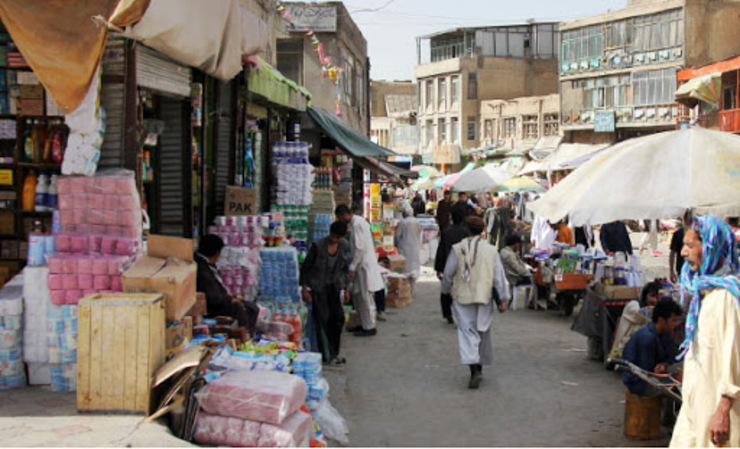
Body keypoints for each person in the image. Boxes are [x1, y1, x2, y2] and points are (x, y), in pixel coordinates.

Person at [670, 215, 740, 448]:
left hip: (717, 414)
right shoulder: (705, 294)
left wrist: (723, 409)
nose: (683, 253)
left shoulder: (725, 298)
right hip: (696, 405)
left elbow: (733, 357)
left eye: (690, 246)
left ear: (711, 247)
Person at [442, 216, 511, 389]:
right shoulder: (491, 250)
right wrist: (504, 298)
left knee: (467, 332)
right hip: (484, 295)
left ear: (467, 229)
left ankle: (474, 370)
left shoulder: (457, 249)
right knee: (482, 331)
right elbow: (498, 277)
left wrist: (445, 292)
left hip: (462, 296)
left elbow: (448, 273)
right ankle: (478, 368)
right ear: (482, 230)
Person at [300, 221, 350, 365]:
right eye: (333, 236)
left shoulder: (344, 246)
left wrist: (346, 289)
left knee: (338, 318)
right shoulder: (318, 246)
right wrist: (305, 289)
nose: (334, 240)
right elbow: (306, 268)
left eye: (337, 238)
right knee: (323, 319)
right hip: (318, 287)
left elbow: (345, 269)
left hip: (334, 287)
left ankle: (334, 351)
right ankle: (327, 355)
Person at [195, 235, 260, 336]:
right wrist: (229, 299)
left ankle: (248, 335)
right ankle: (245, 337)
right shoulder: (202, 269)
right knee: (244, 308)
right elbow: (213, 297)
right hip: (213, 306)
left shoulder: (205, 265)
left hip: (218, 299)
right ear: (217, 252)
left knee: (251, 307)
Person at [335, 204, 383, 337]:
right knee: (358, 296)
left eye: (340, 218)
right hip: (361, 264)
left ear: (344, 215)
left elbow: (359, 248)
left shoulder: (356, 225)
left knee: (363, 296)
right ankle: (362, 323)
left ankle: (369, 326)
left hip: (363, 266)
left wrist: (352, 266)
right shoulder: (359, 221)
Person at [621, 299, 682, 396]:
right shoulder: (647, 338)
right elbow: (645, 372)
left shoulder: (664, 334)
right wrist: (659, 370)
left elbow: (671, 355)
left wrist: (664, 364)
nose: (676, 324)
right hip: (640, 382)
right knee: (679, 388)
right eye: (673, 320)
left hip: (653, 375)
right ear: (661, 321)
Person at [608, 281, 661, 360]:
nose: (655, 300)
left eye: (657, 298)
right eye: (652, 296)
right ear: (645, 296)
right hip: (623, 348)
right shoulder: (633, 305)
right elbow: (642, 315)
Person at [435, 206, 468, 324]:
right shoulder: (466, 232)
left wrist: (438, 268)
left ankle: (448, 313)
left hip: (448, 263)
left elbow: (441, 250)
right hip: (464, 265)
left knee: (446, 289)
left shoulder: (447, 232)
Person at [395, 204, 422, 291]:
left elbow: (397, 236)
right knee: (413, 269)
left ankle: (404, 289)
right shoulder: (417, 222)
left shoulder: (403, 222)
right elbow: (420, 234)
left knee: (405, 269)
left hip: (404, 247)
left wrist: (396, 245)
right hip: (414, 247)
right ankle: (412, 289)